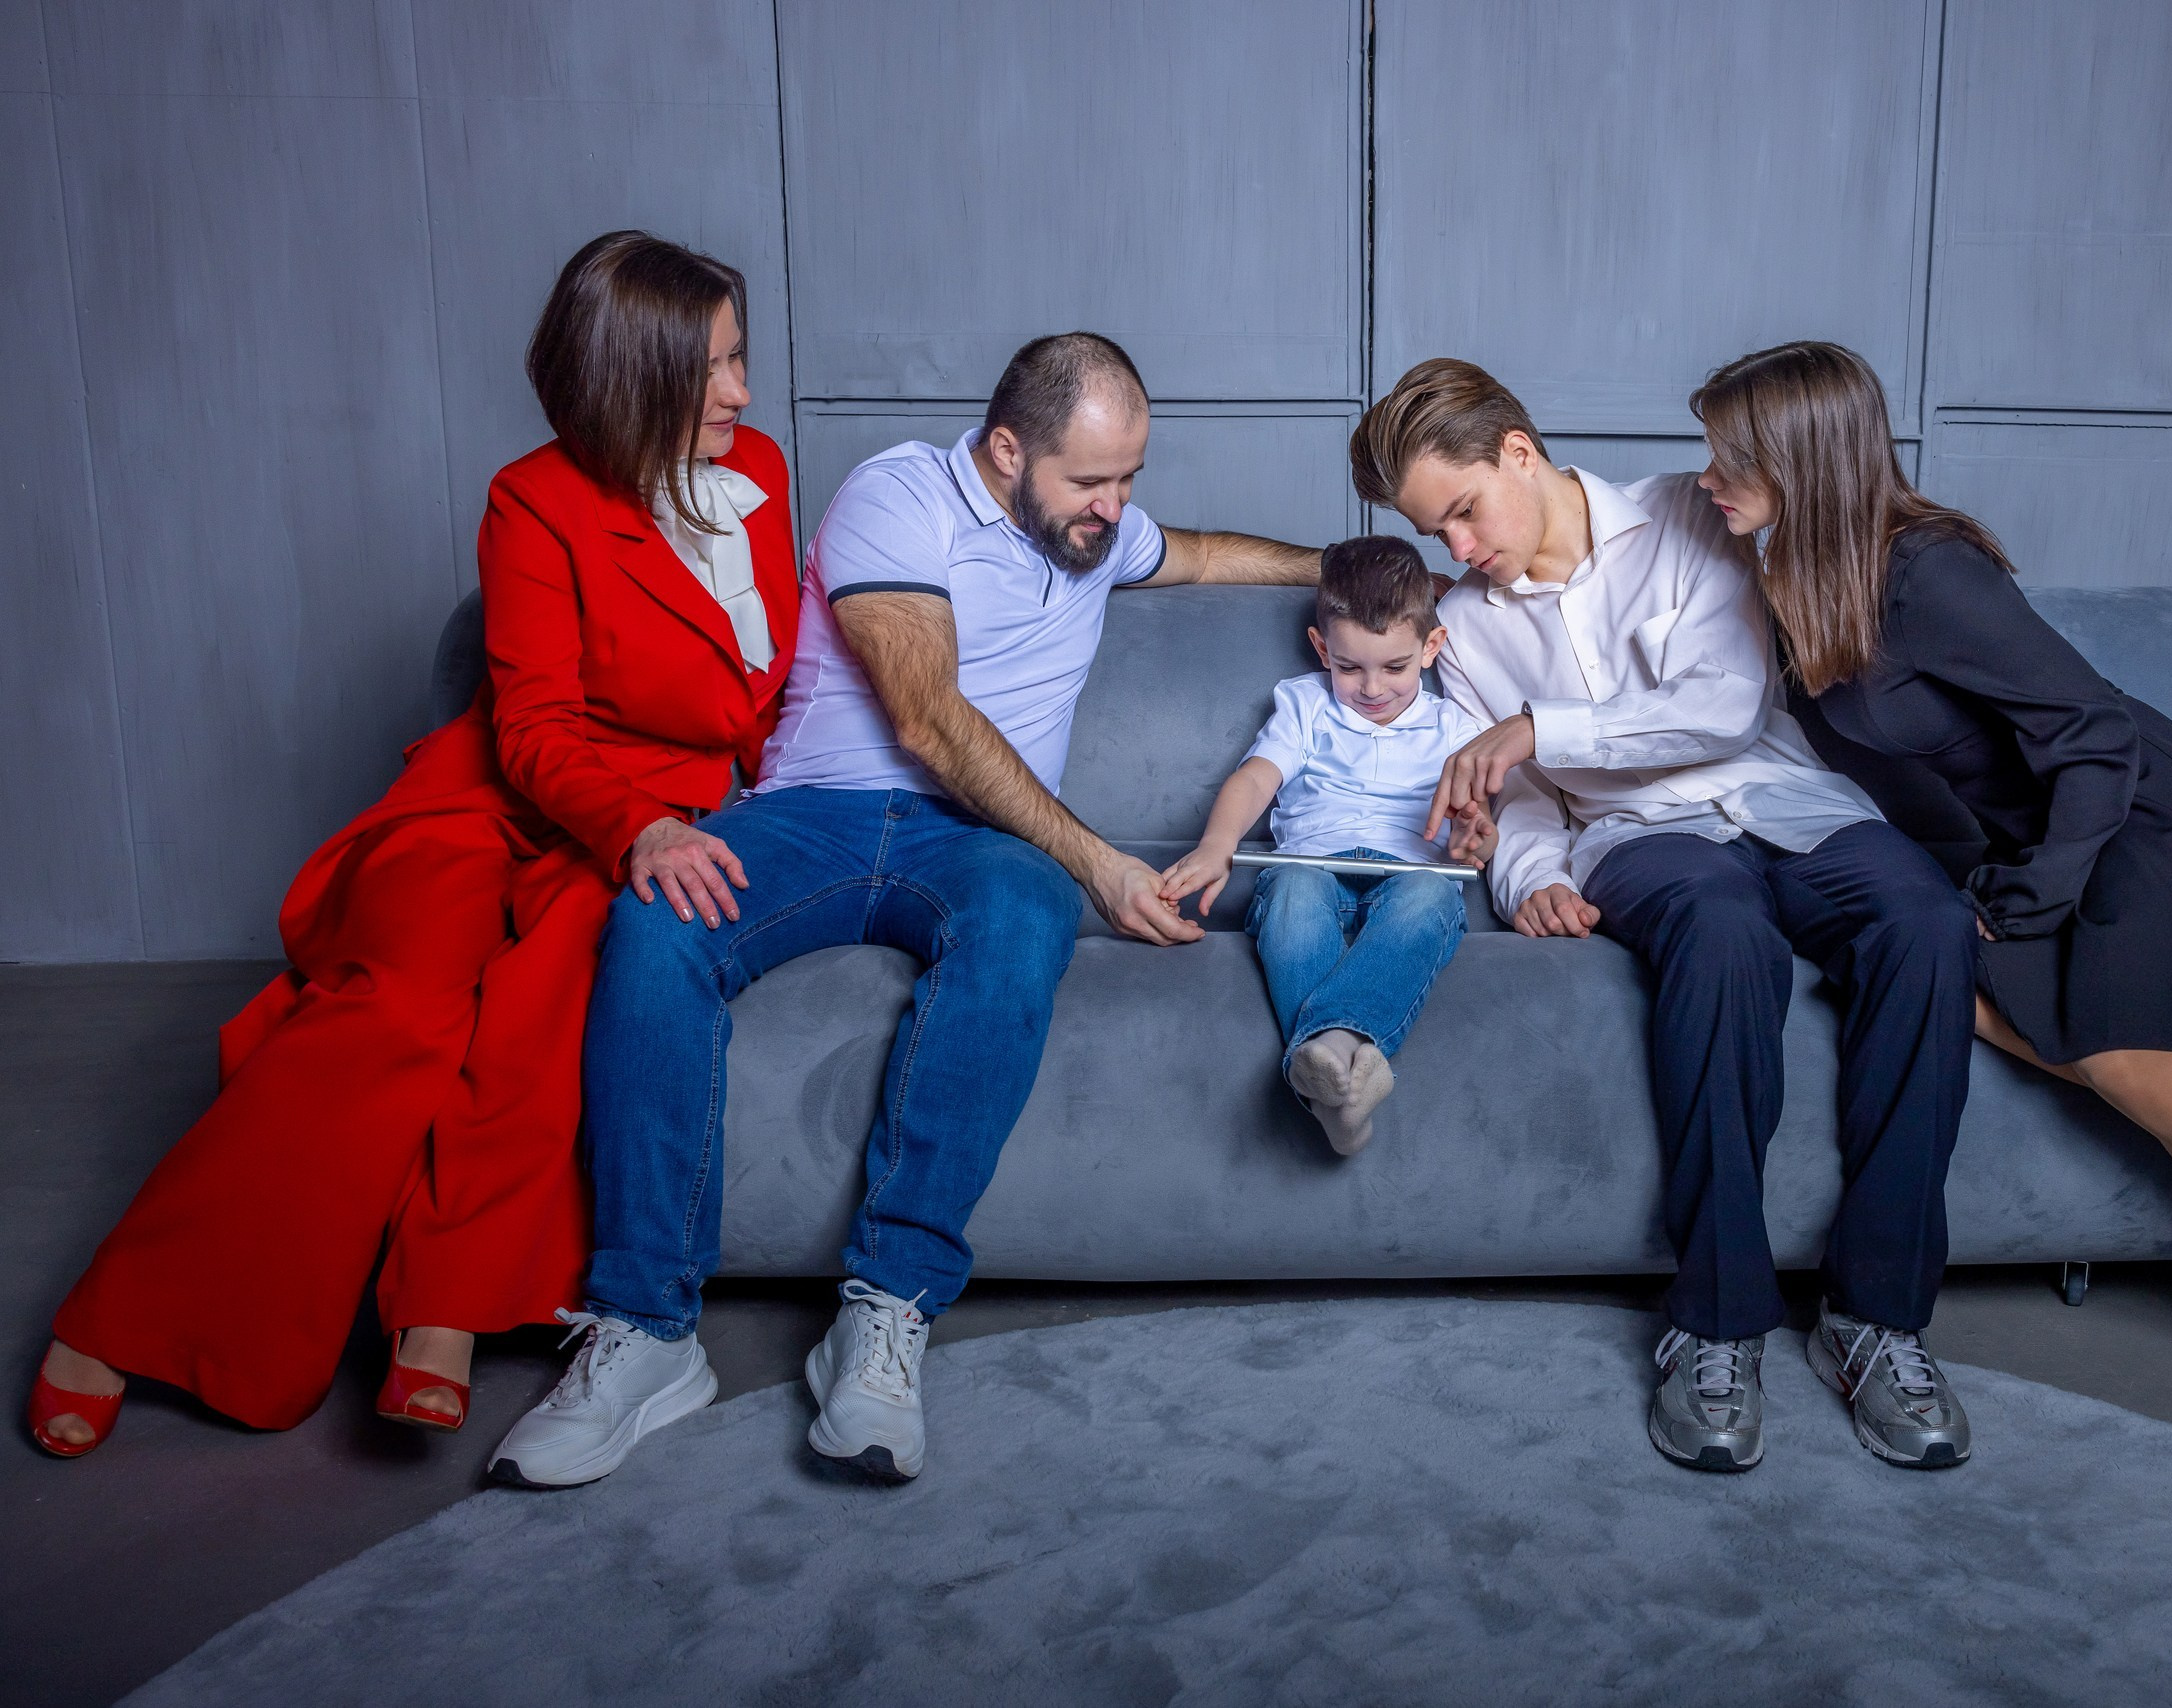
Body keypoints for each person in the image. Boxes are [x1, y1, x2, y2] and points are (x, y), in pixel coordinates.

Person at [488, 332, 1322, 1489]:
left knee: (1023, 921)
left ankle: (884, 1313)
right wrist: (1099, 861)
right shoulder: (899, 494)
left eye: (1128, 478)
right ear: (1003, 449)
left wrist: (1350, 567)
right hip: (817, 815)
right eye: (1089, 481)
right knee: (655, 918)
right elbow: (927, 722)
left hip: (978, 847)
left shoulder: (1096, 528)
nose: (1114, 507)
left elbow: (1203, 555)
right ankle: (645, 1333)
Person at [28, 231, 799, 1455]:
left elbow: (762, 689)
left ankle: (441, 1306)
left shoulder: (753, 470)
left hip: (668, 818)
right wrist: (635, 824)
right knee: (395, 1004)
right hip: (509, 798)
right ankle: (139, 1311)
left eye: (740, 359)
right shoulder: (532, 498)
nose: (741, 393)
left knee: (549, 999)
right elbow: (534, 727)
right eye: (711, 369)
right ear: (627, 377)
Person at [1688, 341, 2172, 1475]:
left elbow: (2094, 735)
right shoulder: (1793, 573)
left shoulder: (1926, 570)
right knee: (1970, 996)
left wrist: (2033, 893)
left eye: (1726, 455)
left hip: (2128, 817)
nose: (1703, 476)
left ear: (1803, 457)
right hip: (2024, 839)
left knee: (2120, 1058)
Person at [1355, 359, 1981, 1474]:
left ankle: (1877, 1319)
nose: (1456, 547)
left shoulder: (1690, 517)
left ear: (1517, 450)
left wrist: (1537, 729)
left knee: (1925, 920)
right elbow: (1526, 803)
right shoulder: (1464, 626)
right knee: (1723, 928)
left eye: (1461, 511)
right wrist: (1524, 875)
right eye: (1430, 529)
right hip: (1639, 844)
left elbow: (1725, 702)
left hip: (1784, 799)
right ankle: (1717, 1319)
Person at [1159, 536, 1492, 1156]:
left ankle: (1329, 1058)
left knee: (1429, 898)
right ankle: (1343, 1077)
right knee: (1290, 891)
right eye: (1349, 667)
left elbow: (1477, 818)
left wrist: (1477, 836)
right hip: (1311, 861)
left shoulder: (1457, 727)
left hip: (1410, 872)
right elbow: (1258, 776)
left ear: (1432, 647)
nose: (1372, 687)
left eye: (1394, 667)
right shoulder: (1306, 703)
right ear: (1322, 649)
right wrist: (1216, 845)